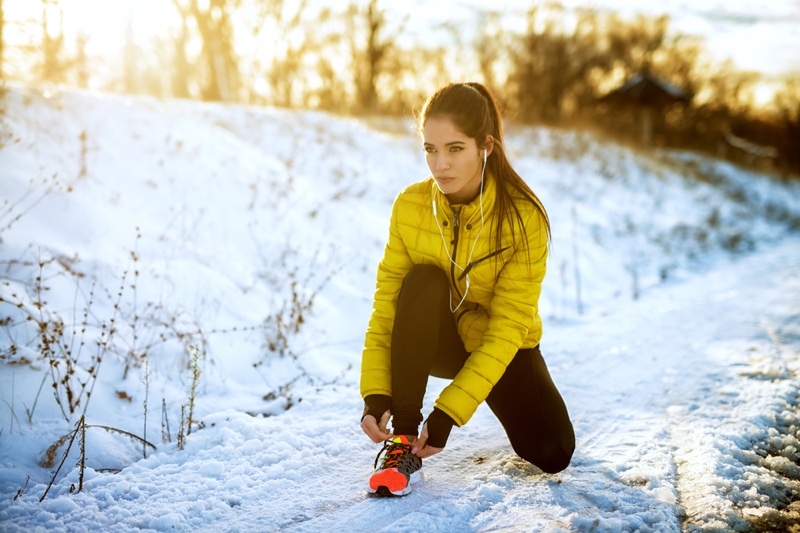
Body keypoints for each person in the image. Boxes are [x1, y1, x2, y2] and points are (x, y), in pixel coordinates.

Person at [360, 82, 575, 497]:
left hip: (499, 344)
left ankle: (499, 407)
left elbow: (509, 326)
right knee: (421, 281)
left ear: (485, 146)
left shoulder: (522, 217)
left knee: (553, 453)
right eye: (430, 148)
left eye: (455, 148)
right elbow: (387, 304)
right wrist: (374, 392)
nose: (440, 164)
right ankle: (402, 443)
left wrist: (448, 413)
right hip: (437, 339)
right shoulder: (410, 206)